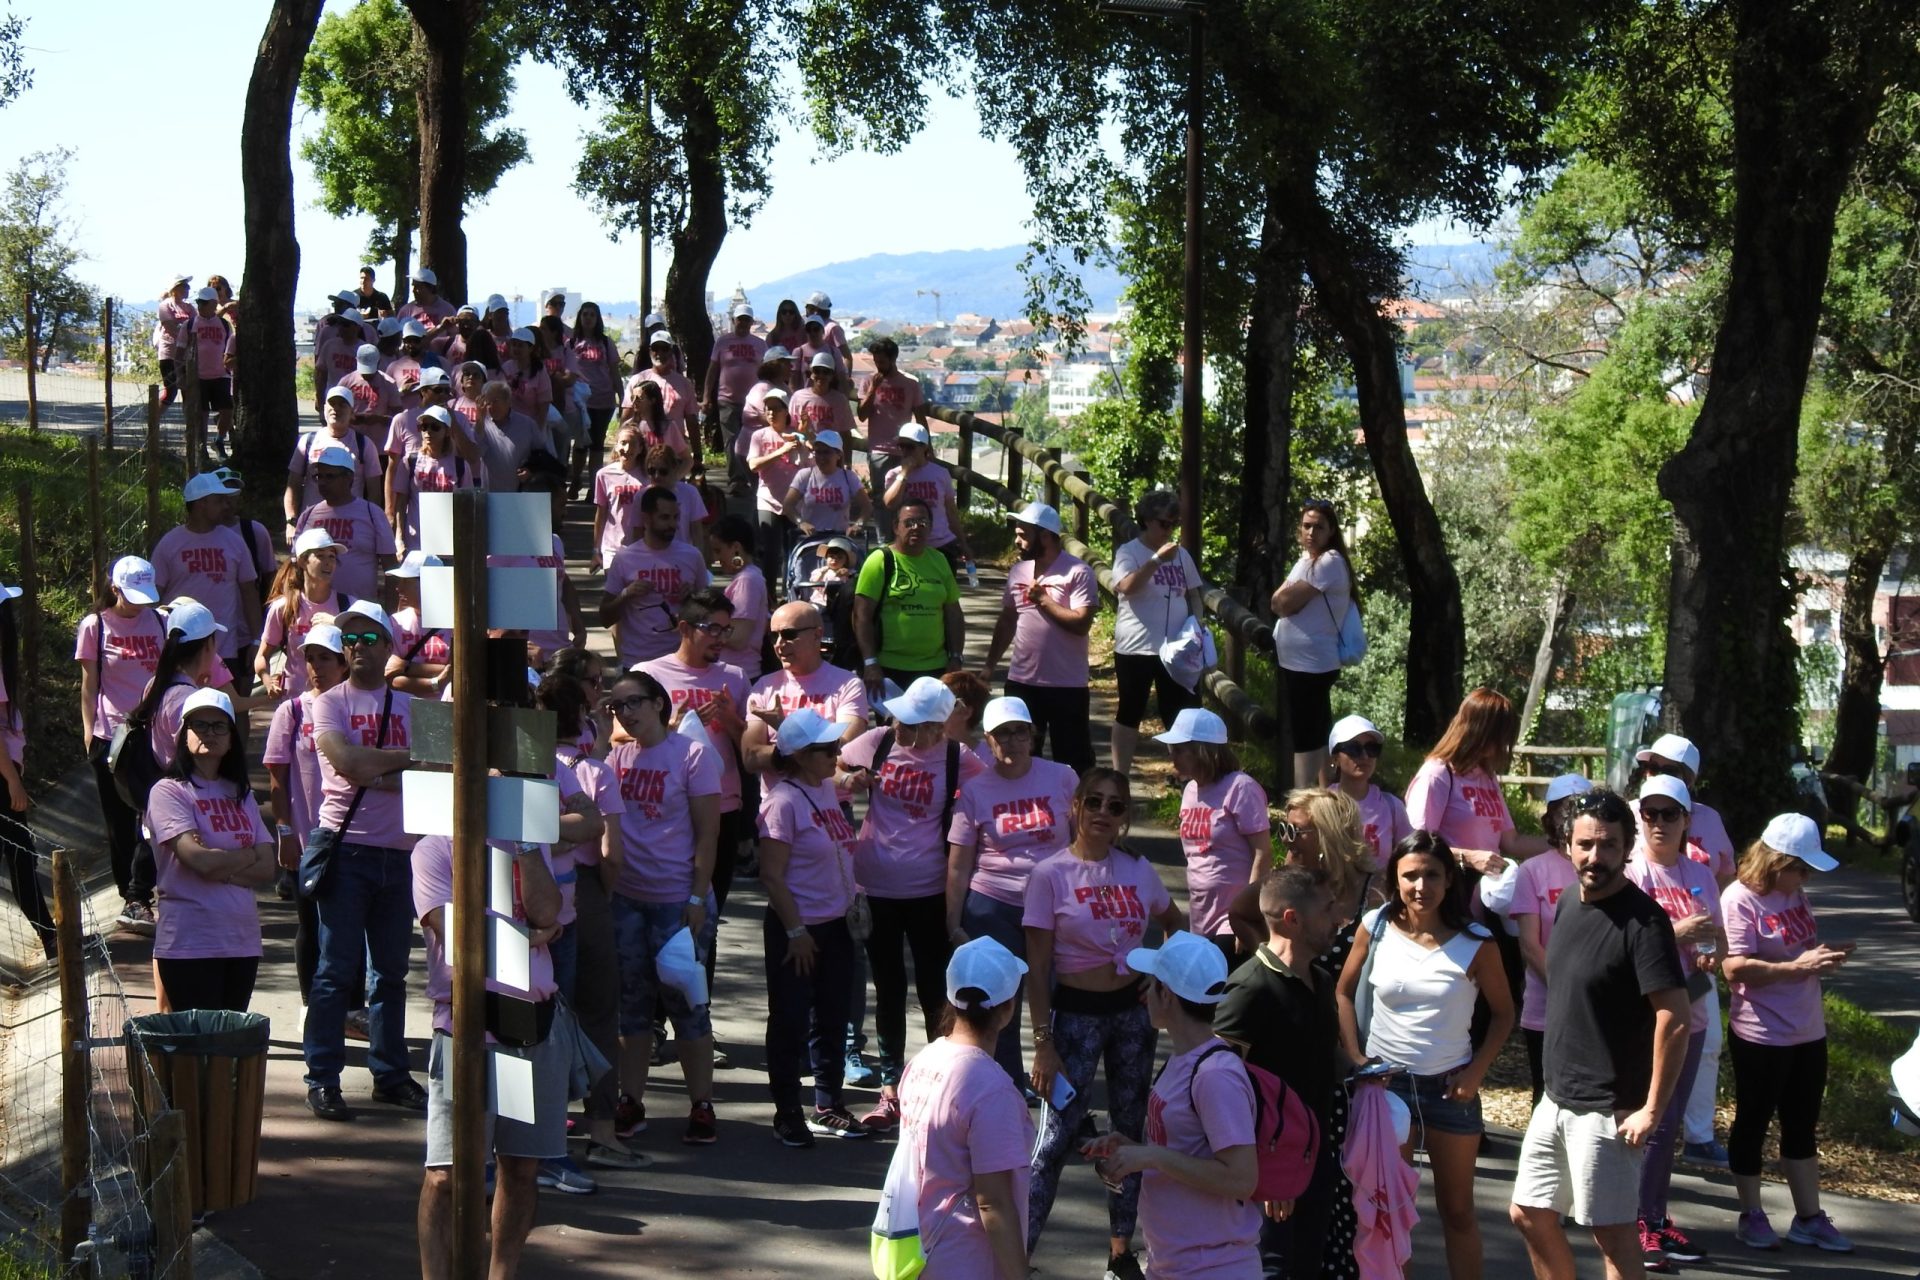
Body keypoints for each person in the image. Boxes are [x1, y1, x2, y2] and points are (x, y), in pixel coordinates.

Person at [1508, 790, 1690, 1280]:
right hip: (1556, 1099)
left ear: (1628, 847)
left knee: (1611, 1236)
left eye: (1609, 845)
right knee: (1529, 1213)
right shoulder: (1568, 900)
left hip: (1610, 1109)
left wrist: (1652, 1107)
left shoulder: (1645, 922)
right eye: (1586, 844)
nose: (1595, 857)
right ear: (1567, 844)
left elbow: (1675, 1017)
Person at [1024, 768, 1182, 1275]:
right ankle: (1015, 1254)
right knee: (1053, 1141)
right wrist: (1043, 1042)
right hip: (1074, 1018)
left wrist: (1157, 976)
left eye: (1116, 806)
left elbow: (1174, 922)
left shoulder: (1137, 869)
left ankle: (1120, 1252)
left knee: (1130, 1135)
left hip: (1132, 1018)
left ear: (1125, 818)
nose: (1103, 813)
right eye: (1094, 801)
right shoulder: (1050, 874)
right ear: (1075, 807)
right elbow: (1039, 966)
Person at [1336, 831, 1514, 1280]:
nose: (1421, 886)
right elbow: (1341, 991)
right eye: (1410, 875)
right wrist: (1357, 1059)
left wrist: (1476, 1073)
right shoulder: (1375, 925)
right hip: (1386, 1089)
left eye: (1431, 875)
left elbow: (1504, 1015)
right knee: (1391, 1214)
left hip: (1451, 1092)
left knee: (1458, 1213)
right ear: (1394, 880)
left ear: (1450, 879)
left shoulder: (1477, 941)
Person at [413, 832, 565, 1280]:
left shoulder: (529, 845)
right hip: (467, 1032)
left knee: (519, 1167)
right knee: (445, 1174)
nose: (498, 775)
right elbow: (458, 935)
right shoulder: (435, 848)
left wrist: (526, 847)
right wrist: (534, 937)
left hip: (527, 1031)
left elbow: (549, 913)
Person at [838, 679, 988, 1130]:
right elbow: (826, 771)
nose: (897, 726)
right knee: (887, 989)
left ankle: (936, 1084)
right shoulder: (877, 742)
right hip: (876, 885)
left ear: (936, 727)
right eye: (898, 717)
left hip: (929, 890)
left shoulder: (957, 759)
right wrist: (849, 778)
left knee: (933, 992)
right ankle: (890, 1091)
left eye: (910, 722)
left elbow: (992, 797)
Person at [302, 601, 423, 1123]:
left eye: (368, 639)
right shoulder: (327, 703)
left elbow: (439, 770)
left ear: (389, 646)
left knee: (390, 974)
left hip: (401, 856)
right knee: (335, 972)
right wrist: (402, 762)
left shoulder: (414, 708)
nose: (356, 648)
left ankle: (390, 1074)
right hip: (346, 851)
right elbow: (348, 764)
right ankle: (323, 1078)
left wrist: (376, 768)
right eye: (348, 640)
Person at [1085, 930, 1262, 1280]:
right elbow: (1185, 1152)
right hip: (1174, 1263)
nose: (1145, 994)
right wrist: (1133, 1149)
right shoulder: (1182, 1061)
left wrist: (1152, 1157)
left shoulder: (1215, 1075)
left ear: (1166, 994)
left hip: (1213, 1267)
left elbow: (1242, 1178)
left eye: (1151, 985)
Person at [1720, 813, 1856, 1252]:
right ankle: (1752, 1214)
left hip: (1807, 1029)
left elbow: (1799, 949)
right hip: (1761, 1033)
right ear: (1775, 860)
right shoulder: (1740, 898)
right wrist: (1795, 967)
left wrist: (1823, 956)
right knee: (1754, 1122)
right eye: (1799, 868)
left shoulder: (1794, 895)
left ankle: (1809, 1217)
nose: (1804, 877)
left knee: (1802, 1125)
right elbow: (1734, 967)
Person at [600, 670, 724, 1148]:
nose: (625, 713)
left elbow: (709, 834)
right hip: (627, 899)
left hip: (677, 903)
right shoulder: (617, 756)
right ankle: (630, 1101)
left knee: (687, 1007)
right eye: (617, 706)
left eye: (633, 703)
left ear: (658, 703)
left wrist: (696, 898)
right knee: (631, 1009)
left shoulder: (692, 755)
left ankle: (702, 1104)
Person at [1216, 865, 1345, 1280]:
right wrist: (1266, 1173)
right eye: (1327, 909)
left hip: (1315, 1163)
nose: (1339, 917)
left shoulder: (1322, 982)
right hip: (1269, 1174)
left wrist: (1362, 1072)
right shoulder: (1250, 989)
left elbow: (1317, 1057)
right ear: (1293, 920)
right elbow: (1218, 1085)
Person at [1404, 687, 1552, 1047]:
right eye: (1502, 735)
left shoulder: (1486, 778)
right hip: (1450, 910)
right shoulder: (1437, 775)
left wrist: (1563, 846)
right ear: (1482, 730)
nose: (1505, 746)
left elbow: (1511, 842)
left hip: (1487, 913)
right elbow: (1417, 845)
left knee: (1487, 1007)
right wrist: (1467, 856)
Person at [946, 696, 1079, 1088]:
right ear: (988, 740)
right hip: (994, 905)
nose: (1013, 741)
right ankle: (1004, 1087)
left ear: (1032, 735)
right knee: (998, 999)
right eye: (1003, 733)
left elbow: (1081, 844)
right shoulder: (974, 790)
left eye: (1020, 731)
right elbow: (958, 863)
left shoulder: (1062, 777)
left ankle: (1063, 1085)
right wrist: (953, 925)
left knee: (1059, 996)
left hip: (1054, 904)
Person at [1620, 774, 1723, 1270]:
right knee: (1651, 1121)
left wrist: (1708, 955)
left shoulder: (1700, 873)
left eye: (1669, 814)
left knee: (1671, 1123)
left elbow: (1719, 942)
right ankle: (1637, 1220)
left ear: (1687, 820)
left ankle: (1657, 1218)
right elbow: (1626, 944)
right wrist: (1680, 931)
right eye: (1650, 814)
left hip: (1693, 1009)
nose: (1658, 824)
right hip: (1647, 1016)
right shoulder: (1632, 873)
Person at [757, 708, 866, 1144]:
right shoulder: (781, 803)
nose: (836, 754)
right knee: (790, 1020)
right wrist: (796, 932)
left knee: (834, 1016)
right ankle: (787, 1111)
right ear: (800, 756)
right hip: (797, 930)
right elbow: (771, 875)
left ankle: (828, 1102)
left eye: (835, 747)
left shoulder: (823, 789)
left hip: (837, 925)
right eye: (827, 750)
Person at [896, 937, 1035, 1278]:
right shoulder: (992, 1090)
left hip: (919, 1251)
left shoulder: (922, 1061)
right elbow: (993, 1202)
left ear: (951, 997)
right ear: (1008, 1008)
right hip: (968, 1261)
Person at [1631, 733, 1737, 1168]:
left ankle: (1697, 1135)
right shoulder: (1630, 817)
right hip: (1648, 977)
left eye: (1670, 771)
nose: (1657, 777)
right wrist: (1674, 930)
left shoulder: (1709, 821)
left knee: (1706, 1045)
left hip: (1695, 972)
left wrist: (1712, 942)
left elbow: (1725, 879)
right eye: (1651, 767)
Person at [146, 688, 275, 1010]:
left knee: (228, 1049)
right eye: (199, 725)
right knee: (196, 1050)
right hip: (190, 941)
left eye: (219, 726)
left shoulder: (240, 793)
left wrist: (223, 864)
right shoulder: (168, 792)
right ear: (183, 735)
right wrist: (244, 856)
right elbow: (198, 860)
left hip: (241, 941)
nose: (210, 733)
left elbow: (267, 867)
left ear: (231, 737)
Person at [637, 589, 751, 911]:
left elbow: (752, 749)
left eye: (725, 629)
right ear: (685, 628)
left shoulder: (736, 678)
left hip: (722, 806)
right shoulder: (649, 674)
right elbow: (620, 739)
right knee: (666, 909)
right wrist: (670, 727)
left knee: (708, 913)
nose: (720, 638)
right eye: (712, 628)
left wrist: (730, 720)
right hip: (668, 807)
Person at [76, 556, 168, 935]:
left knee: (152, 813)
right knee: (119, 822)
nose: (139, 604)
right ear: (114, 590)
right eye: (131, 596)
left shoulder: (161, 621)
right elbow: (88, 684)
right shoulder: (95, 626)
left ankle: (143, 889)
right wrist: (88, 731)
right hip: (112, 736)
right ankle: (131, 897)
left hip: (154, 733)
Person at [263, 623, 350, 1005]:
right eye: (310, 658)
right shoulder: (292, 711)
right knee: (311, 926)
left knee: (350, 927)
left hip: (354, 834)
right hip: (308, 839)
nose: (316, 667)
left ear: (344, 663)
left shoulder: (356, 705)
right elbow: (277, 779)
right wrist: (284, 833)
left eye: (325, 658)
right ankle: (311, 1004)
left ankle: (351, 1006)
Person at [983, 503, 1098, 775]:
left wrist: (1044, 601)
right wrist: (989, 665)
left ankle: (1072, 815)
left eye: (1024, 535)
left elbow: (1081, 624)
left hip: (1066, 685)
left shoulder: (1078, 572)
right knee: (1019, 758)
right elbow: (1008, 620)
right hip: (1022, 683)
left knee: (1073, 763)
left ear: (1045, 536)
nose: (1017, 540)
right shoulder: (1018, 572)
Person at [1161, 708, 1271, 962]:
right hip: (1200, 916)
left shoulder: (1240, 787)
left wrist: (1248, 916)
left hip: (1232, 918)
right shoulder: (1190, 790)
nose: (1172, 757)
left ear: (1202, 750)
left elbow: (1263, 852)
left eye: (1178, 749)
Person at [1509, 774, 1593, 1104]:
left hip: (1597, 1007)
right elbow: (1529, 944)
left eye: (1580, 809)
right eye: (1564, 810)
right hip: (1546, 1008)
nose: (1571, 818)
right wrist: (1566, 990)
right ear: (1549, 817)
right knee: (1546, 1097)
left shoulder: (1605, 867)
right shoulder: (1533, 870)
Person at [1109, 490, 1204, 776]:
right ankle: (1120, 776)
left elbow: (1194, 595)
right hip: (1136, 647)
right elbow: (1126, 587)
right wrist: (1156, 561)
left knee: (1180, 715)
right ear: (1147, 521)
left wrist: (1198, 628)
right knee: (1130, 711)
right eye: (1164, 523)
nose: (1169, 530)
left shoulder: (1181, 555)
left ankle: (1187, 775)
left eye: (1174, 524)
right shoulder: (1129, 552)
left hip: (1175, 649)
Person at [1269, 499, 1355, 789]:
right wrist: (1285, 601)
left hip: (1313, 664)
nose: (1311, 532)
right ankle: (1322, 793)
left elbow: (1284, 602)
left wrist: (1286, 600)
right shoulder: (1305, 561)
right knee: (1316, 731)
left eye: (1319, 526)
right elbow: (1277, 601)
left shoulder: (1329, 562)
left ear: (1331, 531)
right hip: (1299, 662)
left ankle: (1301, 799)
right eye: (1307, 525)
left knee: (1306, 734)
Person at [738, 601, 870, 775]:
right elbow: (751, 757)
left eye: (788, 634)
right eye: (773, 636)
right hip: (778, 800)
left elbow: (843, 752)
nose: (779, 644)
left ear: (817, 635)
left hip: (830, 801)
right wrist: (815, 752)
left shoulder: (848, 684)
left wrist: (784, 732)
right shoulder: (764, 686)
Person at [151, 472, 261, 674]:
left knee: (227, 705)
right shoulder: (169, 544)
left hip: (225, 648)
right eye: (219, 501)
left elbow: (249, 591)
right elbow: (153, 597)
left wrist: (256, 639)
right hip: (182, 648)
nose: (226, 506)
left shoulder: (234, 541)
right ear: (201, 503)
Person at [853, 497, 965, 694]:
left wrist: (956, 657)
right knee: (896, 726)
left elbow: (954, 614)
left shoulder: (939, 560)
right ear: (896, 527)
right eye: (909, 522)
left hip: (935, 669)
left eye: (922, 522)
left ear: (930, 527)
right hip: (890, 669)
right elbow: (861, 617)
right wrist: (870, 663)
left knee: (933, 725)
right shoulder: (879, 560)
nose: (916, 527)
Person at [600, 486, 712, 668]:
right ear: (646, 519)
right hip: (638, 661)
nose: (672, 524)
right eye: (664, 517)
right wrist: (626, 594)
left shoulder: (692, 556)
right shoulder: (624, 558)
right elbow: (605, 618)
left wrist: (692, 599)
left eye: (676, 517)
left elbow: (709, 615)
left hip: (681, 660)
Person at [0, 580, 53, 962]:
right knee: (21, 857)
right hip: (2, 779)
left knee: (22, 858)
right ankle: (53, 940)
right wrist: (12, 780)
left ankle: (52, 937)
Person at [291, 445, 399, 605]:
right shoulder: (308, 515)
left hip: (359, 613)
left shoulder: (372, 513)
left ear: (349, 477)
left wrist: (390, 614)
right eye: (319, 476)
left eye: (330, 476)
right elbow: (295, 567)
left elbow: (391, 568)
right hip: (315, 611)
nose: (323, 482)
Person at [254, 530, 349, 702]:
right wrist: (268, 682)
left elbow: (363, 648)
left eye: (332, 557)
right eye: (321, 556)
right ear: (303, 561)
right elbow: (262, 656)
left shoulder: (347, 605)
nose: (328, 563)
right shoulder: (283, 607)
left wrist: (337, 624)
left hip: (338, 703)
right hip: (295, 703)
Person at [388, 405, 485, 553]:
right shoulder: (409, 462)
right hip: (415, 544)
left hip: (449, 543)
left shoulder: (460, 466)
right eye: (424, 426)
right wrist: (399, 539)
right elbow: (401, 504)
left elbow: (466, 507)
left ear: (447, 431)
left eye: (435, 427)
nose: (428, 432)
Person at [883, 425, 974, 575]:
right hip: (909, 544)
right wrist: (904, 473)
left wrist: (963, 543)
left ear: (924, 447)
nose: (905, 451)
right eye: (901, 446)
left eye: (910, 447)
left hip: (941, 544)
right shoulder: (894, 475)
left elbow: (951, 511)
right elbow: (890, 503)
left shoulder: (940, 473)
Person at [287, 387, 385, 525]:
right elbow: (293, 483)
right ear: (324, 408)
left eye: (342, 404)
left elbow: (374, 491)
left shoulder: (364, 444)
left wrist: (372, 523)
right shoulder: (308, 442)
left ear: (352, 413)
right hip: (312, 523)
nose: (336, 409)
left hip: (351, 525)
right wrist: (291, 520)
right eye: (332, 404)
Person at [1324, 714, 1410, 871]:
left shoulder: (1393, 807)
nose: (1364, 756)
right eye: (1353, 749)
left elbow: (1410, 859)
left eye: (1372, 749)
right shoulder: (1319, 806)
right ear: (1335, 758)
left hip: (1379, 894)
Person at [746, 387, 809, 587]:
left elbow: (808, 466)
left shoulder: (797, 436)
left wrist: (805, 440)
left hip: (794, 503)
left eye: (776, 408)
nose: (772, 413)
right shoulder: (759, 436)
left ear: (786, 411)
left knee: (792, 551)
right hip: (767, 500)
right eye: (768, 409)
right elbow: (753, 465)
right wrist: (780, 451)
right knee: (770, 552)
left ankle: (788, 594)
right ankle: (769, 596)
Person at [855, 335, 925, 497]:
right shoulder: (868, 381)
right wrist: (873, 389)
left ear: (893, 359)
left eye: (882, 362)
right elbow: (862, 415)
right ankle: (883, 524)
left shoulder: (910, 384)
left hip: (905, 449)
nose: (878, 366)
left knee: (904, 494)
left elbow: (920, 418)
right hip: (878, 449)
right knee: (880, 495)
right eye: (876, 361)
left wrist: (927, 448)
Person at [705, 302, 767, 483]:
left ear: (751, 322)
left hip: (754, 402)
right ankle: (736, 479)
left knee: (752, 439)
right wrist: (707, 396)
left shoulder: (760, 344)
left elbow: (766, 371)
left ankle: (753, 476)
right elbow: (712, 370)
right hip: (727, 399)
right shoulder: (722, 342)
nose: (743, 323)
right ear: (734, 320)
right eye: (740, 320)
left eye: (747, 320)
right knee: (731, 441)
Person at [567, 301, 622, 488]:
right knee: (581, 443)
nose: (588, 318)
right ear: (580, 318)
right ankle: (576, 479)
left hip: (604, 399)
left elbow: (614, 371)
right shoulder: (572, 343)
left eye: (592, 315)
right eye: (585, 314)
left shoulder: (606, 343)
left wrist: (622, 397)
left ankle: (594, 486)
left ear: (597, 318)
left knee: (598, 443)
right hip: (580, 401)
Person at [710, 514, 768, 679]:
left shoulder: (746, 580)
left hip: (739, 674)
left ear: (736, 547)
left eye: (718, 550)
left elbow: (738, 638)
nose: (716, 559)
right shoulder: (749, 577)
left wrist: (700, 626)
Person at [782, 430, 869, 536]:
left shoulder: (848, 477)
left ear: (838, 455)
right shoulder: (804, 475)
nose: (821, 457)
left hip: (839, 541)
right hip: (810, 540)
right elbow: (788, 505)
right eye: (818, 452)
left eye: (827, 452)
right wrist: (801, 523)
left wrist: (858, 524)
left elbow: (867, 506)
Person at [590, 426, 650, 574]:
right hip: (612, 547)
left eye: (633, 444)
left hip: (641, 545)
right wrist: (596, 550)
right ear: (616, 445)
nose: (627, 448)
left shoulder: (648, 476)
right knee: (613, 593)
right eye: (623, 442)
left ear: (641, 448)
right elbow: (601, 512)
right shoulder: (604, 475)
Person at [184, 287, 235, 454]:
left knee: (227, 411)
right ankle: (201, 447)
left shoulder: (224, 325)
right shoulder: (190, 324)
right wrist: (180, 375)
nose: (200, 306)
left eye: (204, 303)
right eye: (199, 302)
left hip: (221, 374)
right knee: (201, 414)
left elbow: (230, 348)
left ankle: (219, 440)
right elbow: (179, 351)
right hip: (198, 376)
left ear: (214, 304)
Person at [790, 351, 857, 440]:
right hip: (805, 451)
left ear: (832, 375)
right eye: (817, 371)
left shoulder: (840, 400)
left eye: (825, 372)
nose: (821, 375)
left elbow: (845, 434)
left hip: (830, 452)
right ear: (811, 373)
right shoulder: (798, 396)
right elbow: (791, 428)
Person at [155, 274, 195, 413]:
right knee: (171, 391)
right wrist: (187, 333)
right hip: (169, 354)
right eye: (185, 286)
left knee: (188, 392)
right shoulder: (165, 306)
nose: (188, 289)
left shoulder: (190, 307)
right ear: (176, 288)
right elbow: (170, 326)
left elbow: (196, 325)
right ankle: (153, 422)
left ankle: (189, 430)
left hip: (187, 355)